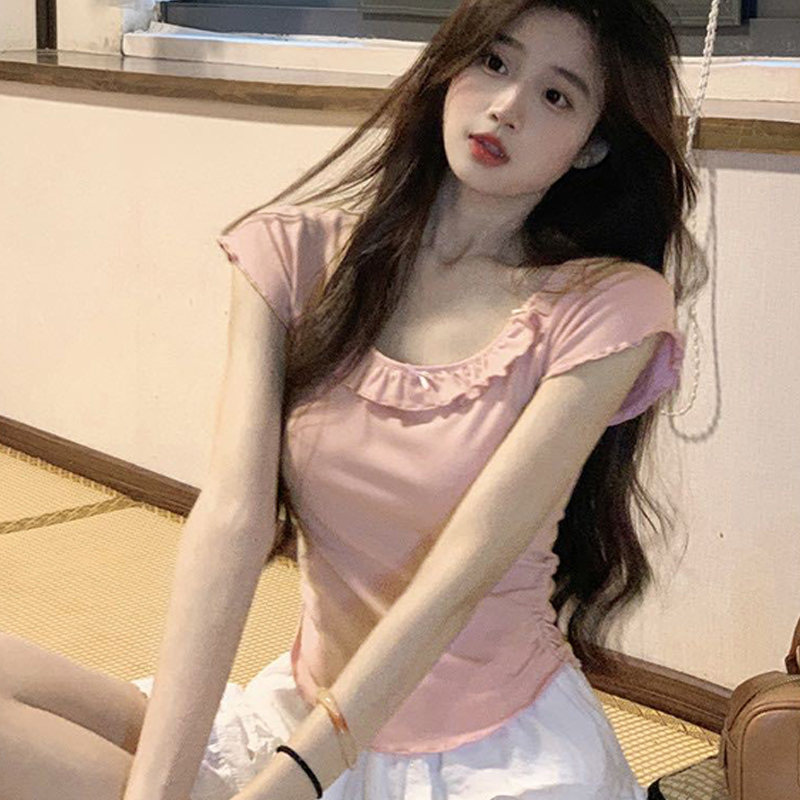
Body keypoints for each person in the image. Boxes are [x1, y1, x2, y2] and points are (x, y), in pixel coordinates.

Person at [0, 2, 706, 799]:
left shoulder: (606, 307)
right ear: (450, 66)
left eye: (556, 96)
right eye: (495, 62)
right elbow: (232, 522)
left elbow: (460, 573)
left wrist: (294, 782)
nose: (507, 106)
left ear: (592, 146)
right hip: (301, 708)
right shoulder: (293, 256)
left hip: (489, 753)